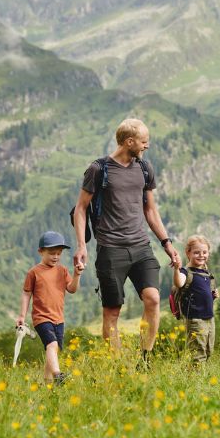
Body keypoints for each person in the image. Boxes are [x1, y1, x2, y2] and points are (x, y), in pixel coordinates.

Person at [72, 118, 178, 366]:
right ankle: (116, 365)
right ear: (129, 142)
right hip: (111, 250)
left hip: (141, 247)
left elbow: (150, 211)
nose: (147, 146)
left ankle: (145, 359)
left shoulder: (144, 169)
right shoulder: (99, 170)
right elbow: (80, 209)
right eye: (144, 141)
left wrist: (167, 243)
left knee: (152, 299)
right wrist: (81, 245)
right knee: (112, 312)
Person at [17, 230, 84, 384]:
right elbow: (26, 294)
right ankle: (58, 375)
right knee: (52, 345)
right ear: (41, 252)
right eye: (52, 253)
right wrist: (22, 316)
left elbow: (72, 289)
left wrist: (77, 275)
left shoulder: (62, 271)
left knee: (53, 349)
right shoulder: (34, 272)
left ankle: (47, 384)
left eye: (59, 253)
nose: (56, 256)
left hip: (59, 318)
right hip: (41, 318)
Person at [172, 234, 219, 364]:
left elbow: (203, 293)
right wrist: (176, 269)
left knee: (209, 351)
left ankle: (196, 377)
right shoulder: (185, 272)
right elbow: (179, 283)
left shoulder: (206, 273)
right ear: (188, 253)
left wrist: (213, 295)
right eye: (197, 252)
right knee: (198, 354)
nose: (201, 255)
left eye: (205, 252)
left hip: (209, 318)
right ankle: (195, 380)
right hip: (195, 319)